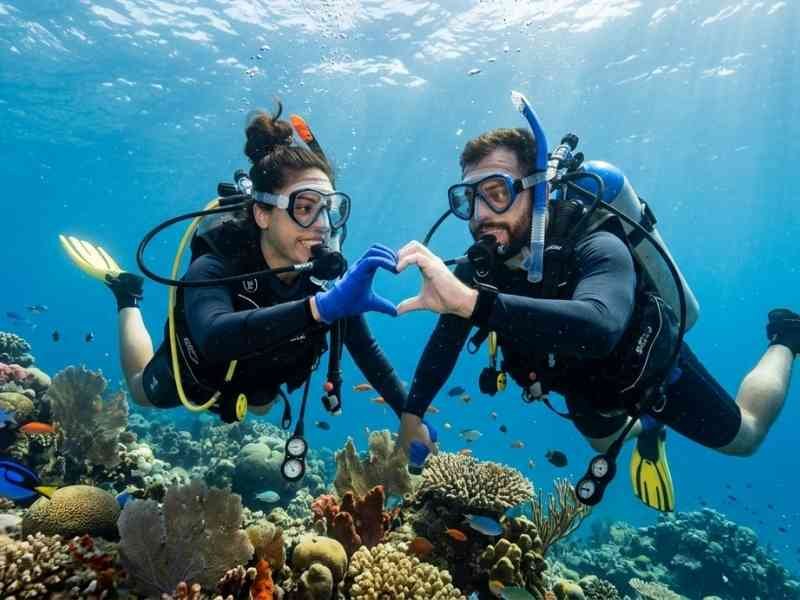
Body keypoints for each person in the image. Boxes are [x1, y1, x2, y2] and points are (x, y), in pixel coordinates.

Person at [395, 121, 799, 512]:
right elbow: (444, 343)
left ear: (537, 190)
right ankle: (650, 430)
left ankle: (786, 338)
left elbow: (600, 326)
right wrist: (412, 415)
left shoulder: (593, 241)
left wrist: (471, 303)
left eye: (496, 191)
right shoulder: (479, 272)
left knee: (745, 438)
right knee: (604, 445)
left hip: (649, 373)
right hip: (583, 391)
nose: (480, 213)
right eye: (469, 199)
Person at [60, 105, 405, 433]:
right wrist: (318, 309)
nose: (323, 225)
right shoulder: (217, 263)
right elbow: (212, 336)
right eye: (305, 207)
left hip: (258, 378)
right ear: (262, 213)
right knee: (141, 393)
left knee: (261, 405)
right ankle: (127, 296)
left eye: (331, 208)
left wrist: (410, 416)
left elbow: (367, 352)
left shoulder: (322, 281)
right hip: (200, 370)